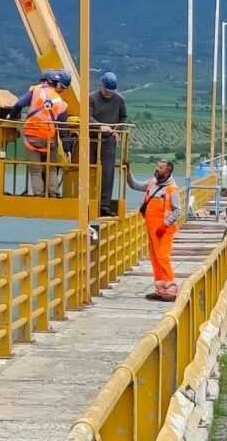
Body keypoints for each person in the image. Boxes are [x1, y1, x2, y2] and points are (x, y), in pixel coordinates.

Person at [125, 159, 182, 301]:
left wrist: (165, 225)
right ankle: (160, 288)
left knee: (163, 257)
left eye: (161, 167)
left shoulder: (172, 189)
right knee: (155, 258)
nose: (158, 169)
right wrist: (128, 172)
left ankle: (171, 289)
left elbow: (177, 211)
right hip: (151, 229)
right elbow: (135, 185)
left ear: (168, 171)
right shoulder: (152, 183)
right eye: (157, 166)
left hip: (163, 230)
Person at [10, 70, 70, 197]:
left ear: (47, 82)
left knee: (36, 170)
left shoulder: (36, 92)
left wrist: (12, 117)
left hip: (32, 137)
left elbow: (19, 104)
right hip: (49, 139)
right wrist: (67, 149)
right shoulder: (61, 103)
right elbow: (63, 129)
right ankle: (54, 193)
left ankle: (39, 194)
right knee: (52, 169)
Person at [90, 71, 127, 217]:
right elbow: (88, 116)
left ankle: (104, 205)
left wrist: (117, 130)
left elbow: (123, 117)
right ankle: (90, 200)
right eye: (106, 91)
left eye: (111, 92)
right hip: (92, 138)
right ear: (101, 85)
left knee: (108, 171)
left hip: (109, 139)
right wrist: (99, 126)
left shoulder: (119, 100)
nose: (109, 94)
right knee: (91, 169)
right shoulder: (92, 98)